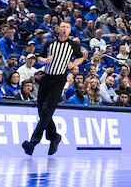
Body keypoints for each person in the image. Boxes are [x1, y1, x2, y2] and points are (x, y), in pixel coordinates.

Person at [23, 22, 85, 157]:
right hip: (46, 78)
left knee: (46, 111)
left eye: (67, 27)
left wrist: (73, 64)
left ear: (69, 31)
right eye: (62, 26)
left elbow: (81, 57)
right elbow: (39, 58)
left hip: (59, 80)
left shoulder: (73, 45)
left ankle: (32, 143)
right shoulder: (50, 43)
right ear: (58, 29)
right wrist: (45, 60)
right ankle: (54, 136)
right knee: (42, 110)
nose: (64, 29)